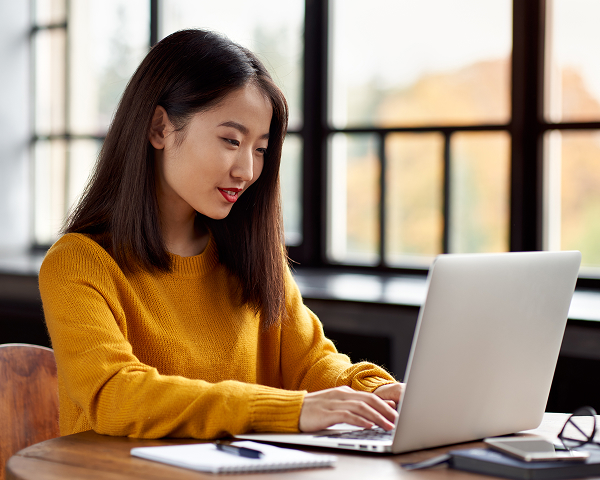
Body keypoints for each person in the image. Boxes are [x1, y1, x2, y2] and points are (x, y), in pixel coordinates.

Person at [39, 29, 403, 440]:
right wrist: (287, 409)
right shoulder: (77, 263)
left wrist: (378, 394)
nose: (246, 171)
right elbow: (115, 394)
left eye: (261, 149)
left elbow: (314, 364)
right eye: (231, 140)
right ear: (159, 128)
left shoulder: (250, 256)